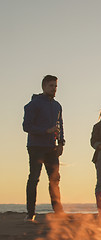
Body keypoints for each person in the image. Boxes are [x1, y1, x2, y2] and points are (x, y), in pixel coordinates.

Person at [22, 75, 66, 222]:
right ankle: (30, 213)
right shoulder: (33, 104)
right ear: (44, 87)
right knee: (34, 179)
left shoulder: (57, 105)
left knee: (55, 179)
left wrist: (61, 143)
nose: (54, 89)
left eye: (55, 86)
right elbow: (26, 127)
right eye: (51, 86)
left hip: (52, 147)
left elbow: (60, 125)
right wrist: (45, 131)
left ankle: (58, 212)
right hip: (35, 147)